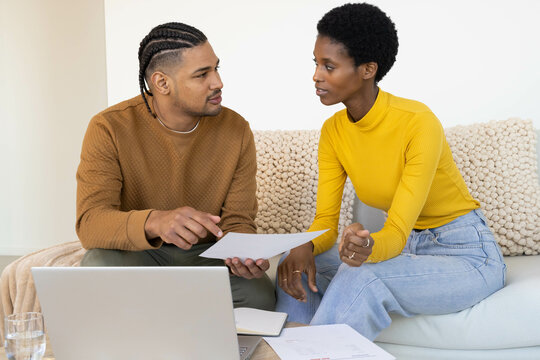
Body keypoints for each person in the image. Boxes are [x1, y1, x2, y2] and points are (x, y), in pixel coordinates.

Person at [275, 3, 506, 340]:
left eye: (329, 66)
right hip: (410, 250)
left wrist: (366, 249)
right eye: (316, 63)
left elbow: (396, 233)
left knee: (362, 276)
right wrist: (304, 246)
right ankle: (296, 342)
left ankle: (313, 352)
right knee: (292, 261)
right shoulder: (333, 131)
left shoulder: (417, 122)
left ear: (367, 69)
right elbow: (325, 223)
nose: (316, 75)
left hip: (466, 255)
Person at [76, 22, 275, 311]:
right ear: (162, 83)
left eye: (216, 68)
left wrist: (242, 253)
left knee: (258, 297)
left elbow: (238, 219)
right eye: (202, 74)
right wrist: (156, 221)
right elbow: (90, 223)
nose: (217, 82)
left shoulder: (236, 129)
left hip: (206, 256)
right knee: (98, 266)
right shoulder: (109, 127)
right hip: (138, 252)